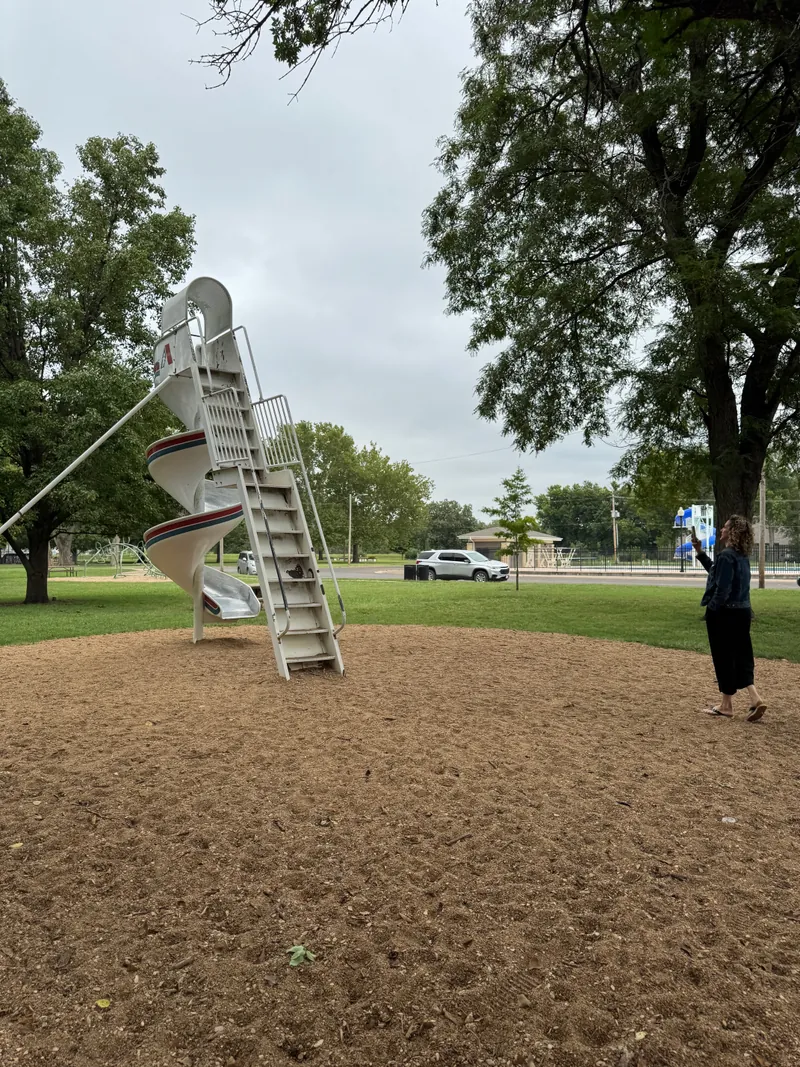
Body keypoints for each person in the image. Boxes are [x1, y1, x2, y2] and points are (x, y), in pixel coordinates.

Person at [692, 516, 767, 721]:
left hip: (726, 614)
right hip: (743, 612)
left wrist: (712, 610)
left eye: (725, 527)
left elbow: (722, 588)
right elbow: (718, 575)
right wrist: (700, 552)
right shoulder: (741, 556)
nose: (721, 530)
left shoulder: (726, 556)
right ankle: (754, 698)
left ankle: (727, 707)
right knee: (742, 655)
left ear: (732, 532)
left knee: (723, 657)